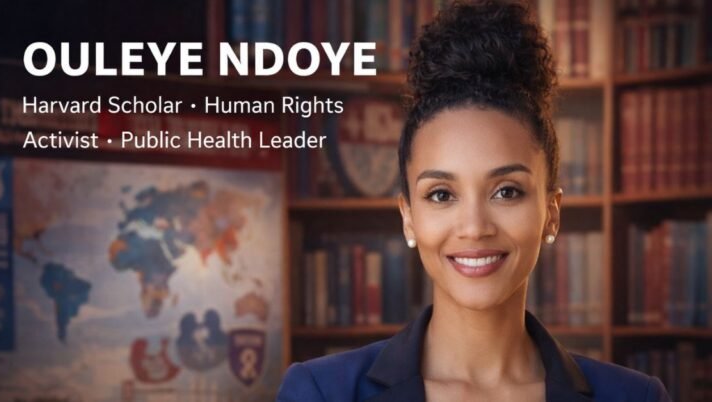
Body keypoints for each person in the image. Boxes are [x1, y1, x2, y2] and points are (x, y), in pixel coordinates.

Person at [276, 1, 672, 401]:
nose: (474, 226)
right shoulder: (322, 392)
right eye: (442, 195)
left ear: (551, 214)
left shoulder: (635, 396)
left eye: (506, 191)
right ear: (408, 217)